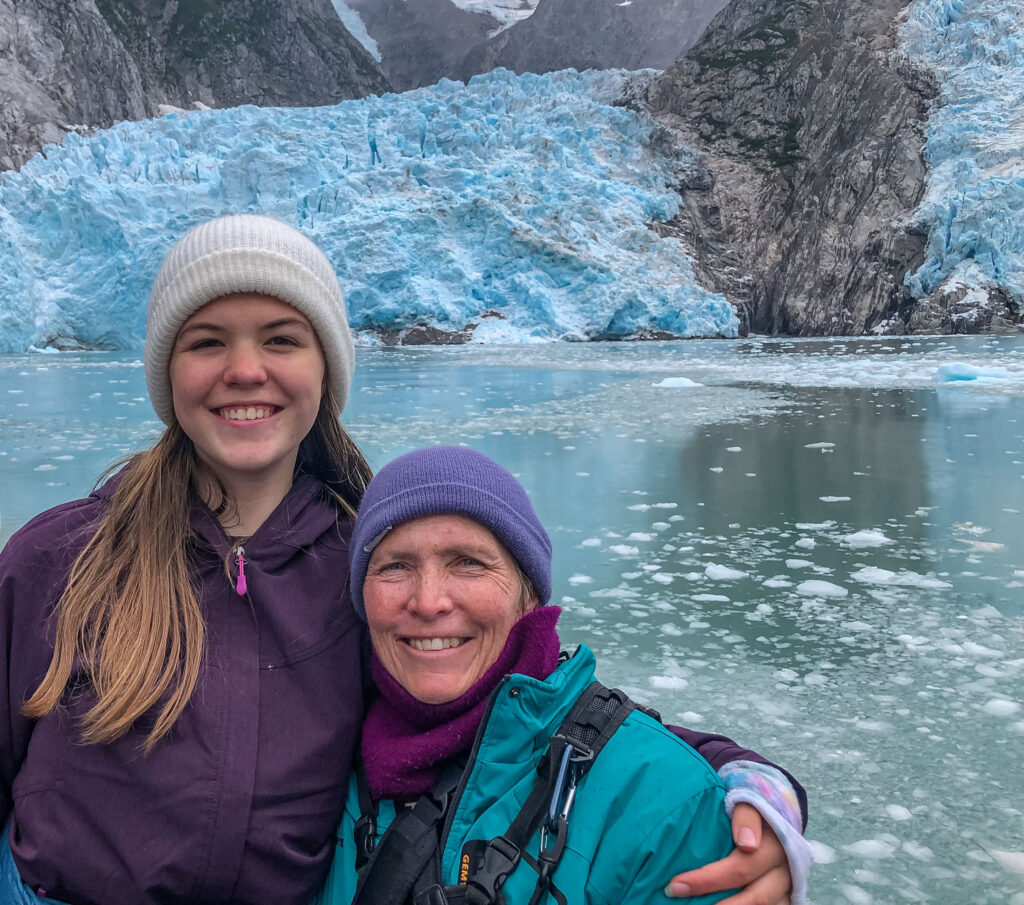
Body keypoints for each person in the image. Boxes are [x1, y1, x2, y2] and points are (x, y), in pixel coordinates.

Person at [0, 215, 807, 905]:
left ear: (327, 367)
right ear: (166, 371)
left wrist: (744, 779)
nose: (245, 370)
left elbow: (526, 710)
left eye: (282, 338)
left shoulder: (370, 569)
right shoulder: (61, 561)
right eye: (207, 341)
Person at [316, 446, 812, 905]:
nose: (428, 601)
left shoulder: (667, 807)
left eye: (469, 562)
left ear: (529, 594)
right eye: (394, 566)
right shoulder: (322, 746)